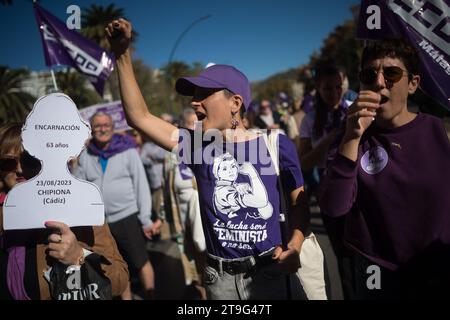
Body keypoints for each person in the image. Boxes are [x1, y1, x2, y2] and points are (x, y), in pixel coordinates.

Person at [106, 18, 310, 300]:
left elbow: (300, 203)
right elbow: (139, 117)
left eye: (203, 94)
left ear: (235, 103)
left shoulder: (276, 144)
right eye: (193, 95)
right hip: (219, 280)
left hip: (270, 274)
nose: (193, 102)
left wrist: (295, 246)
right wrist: (122, 55)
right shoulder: (197, 147)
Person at [319, 38, 450, 299]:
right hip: (376, 270)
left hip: (436, 263)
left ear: (413, 83)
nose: (379, 82)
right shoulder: (351, 138)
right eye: (370, 74)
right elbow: (333, 207)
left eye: (391, 73)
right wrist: (352, 136)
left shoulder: (439, 130)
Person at [0, 123, 129, 300]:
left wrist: (79, 257)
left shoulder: (81, 208)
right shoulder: (3, 214)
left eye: (29, 159)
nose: (20, 169)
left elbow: (119, 281)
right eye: (8, 162)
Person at [74, 112, 157, 300]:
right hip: (101, 223)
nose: (102, 129)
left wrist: (145, 219)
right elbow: (79, 184)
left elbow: (141, 185)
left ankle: (151, 296)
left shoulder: (127, 150)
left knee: (141, 261)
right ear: (91, 130)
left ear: (112, 127)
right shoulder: (86, 155)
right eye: (97, 126)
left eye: (106, 125)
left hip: (127, 217)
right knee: (117, 266)